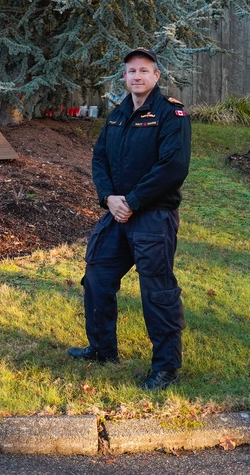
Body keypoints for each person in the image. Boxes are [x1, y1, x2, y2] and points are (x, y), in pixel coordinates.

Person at [68, 47, 192, 391]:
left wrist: (133, 201)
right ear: (124, 77)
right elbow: (100, 158)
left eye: (143, 71)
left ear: (156, 77)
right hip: (117, 213)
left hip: (153, 216)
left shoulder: (171, 113)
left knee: (157, 290)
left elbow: (173, 167)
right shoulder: (118, 114)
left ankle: (166, 367)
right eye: (130, 71)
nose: (136, 76)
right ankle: (102, 350)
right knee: (96, 277)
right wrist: (108, 198)